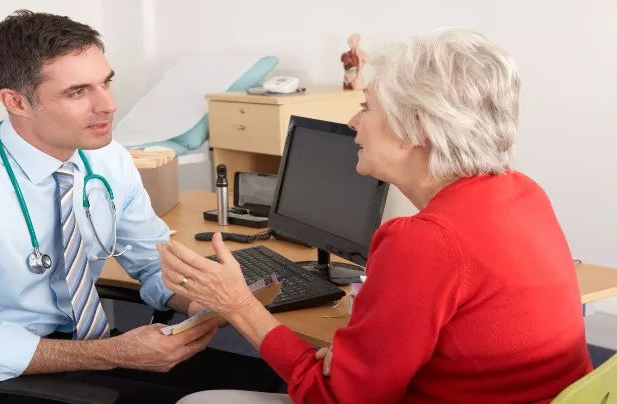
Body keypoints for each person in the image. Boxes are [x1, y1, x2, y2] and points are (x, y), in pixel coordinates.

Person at [160, 28, 593, 404]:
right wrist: (362, 351)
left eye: (366, 107)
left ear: (416, 129)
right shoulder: (523, 192)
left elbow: (333, 398)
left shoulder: (423, 241)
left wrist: (238, 304)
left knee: (199, 400)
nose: (352, 121)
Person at [0, 10, 282, 404]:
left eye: (106, 83)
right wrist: (114, 354)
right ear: (16, 101)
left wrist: (198, 303)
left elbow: (151, 261)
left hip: (80, 345)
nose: (108, 105)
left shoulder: (107, 158)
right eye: (77, 92)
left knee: (273, 379)